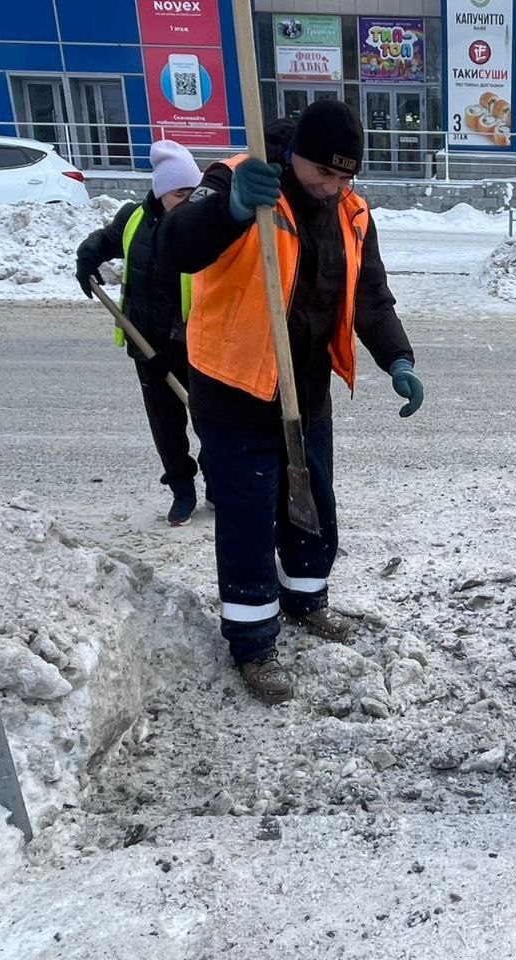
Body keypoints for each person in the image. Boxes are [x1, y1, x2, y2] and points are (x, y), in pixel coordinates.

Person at [156, 100, 424, 704]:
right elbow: (176, 246)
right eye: (323, 174)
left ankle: (306, 599)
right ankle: (253, 643)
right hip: (235, 385)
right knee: (250, 513)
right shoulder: (241, 178)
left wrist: (397, 359)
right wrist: (227, 208)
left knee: (312, 501)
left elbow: (371, 296)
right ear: (295, 154)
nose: (333, 187)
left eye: (345, 177)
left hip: (306, 387)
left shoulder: (352, 211)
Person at [76, 139, 204, 526]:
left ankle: (218, 483)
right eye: (180, 193)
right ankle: (182, 489)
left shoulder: (202, 224)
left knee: (211, 421)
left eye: (192, 192)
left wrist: (178, 343)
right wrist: (87, 257)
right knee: (166, 426)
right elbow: (106, 241)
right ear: (162, 192)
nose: (187, 200)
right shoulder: (132, 218)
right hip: (145, 343)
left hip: (195, 347)